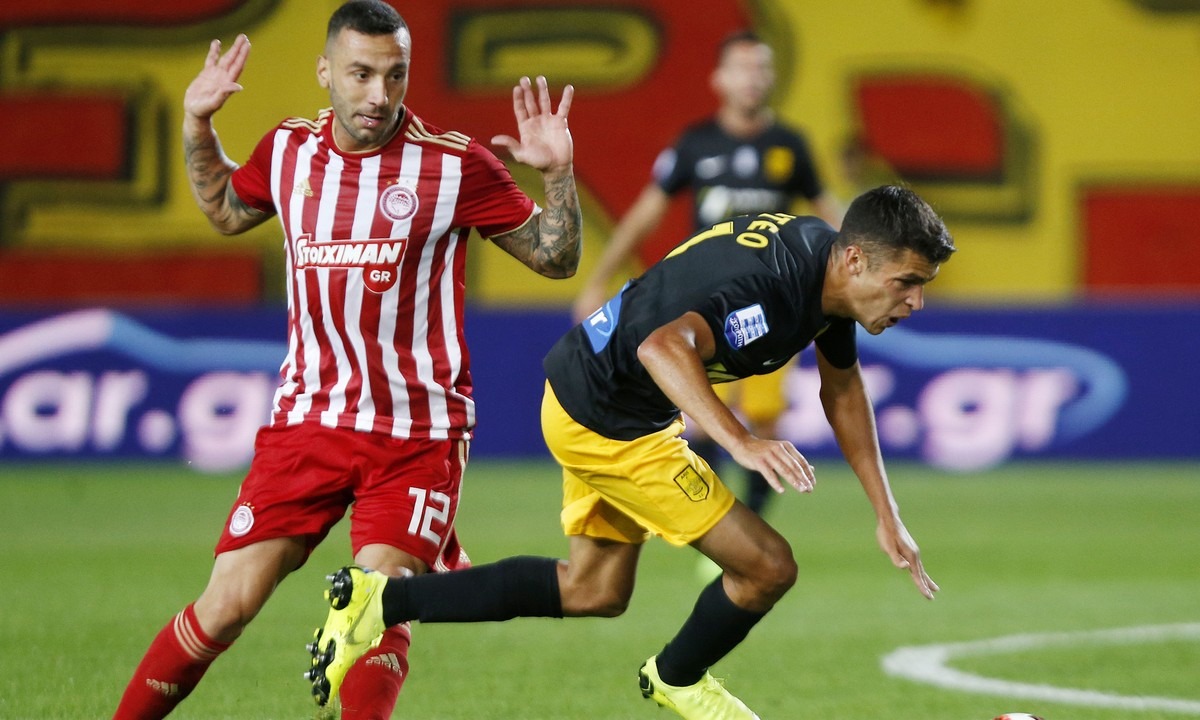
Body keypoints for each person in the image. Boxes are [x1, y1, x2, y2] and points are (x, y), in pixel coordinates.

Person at [306, 185, 953, 719]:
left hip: (589, 391)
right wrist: (740, 441)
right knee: (767, 566)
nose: (916, 301)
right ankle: (678, 678)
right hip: (610, 418)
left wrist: (886, 513)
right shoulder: (774, 287)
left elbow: (843, 388)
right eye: (907, 282)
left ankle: (377, 602)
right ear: (856, 260)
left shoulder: (825, 271)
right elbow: (662, 347)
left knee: (594, 589)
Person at [112, 1, 581, 718]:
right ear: (325, 71)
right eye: (361, 74)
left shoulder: (453, 165)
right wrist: (197, 125)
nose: (379, 95)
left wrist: (559, 174)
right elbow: (227, 210)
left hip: (415, 434)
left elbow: (556, 258)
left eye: (395, 76)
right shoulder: (288, 152)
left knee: (376, 600)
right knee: (226, 605)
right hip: (309, 421)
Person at [573, 29, 843, 520]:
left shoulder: (789, 145)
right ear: (719, 79)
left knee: (764, 418)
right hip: (706, 303)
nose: (753, 78)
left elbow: (828, 213)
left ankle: (750, 524)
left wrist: (871, 259)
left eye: (761, 68)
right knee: (700, 421)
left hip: (774, 303)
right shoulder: (696, 145)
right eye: (742, 68)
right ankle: (720, 527)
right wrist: (599, 278)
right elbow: (647, 213)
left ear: (772, 77)